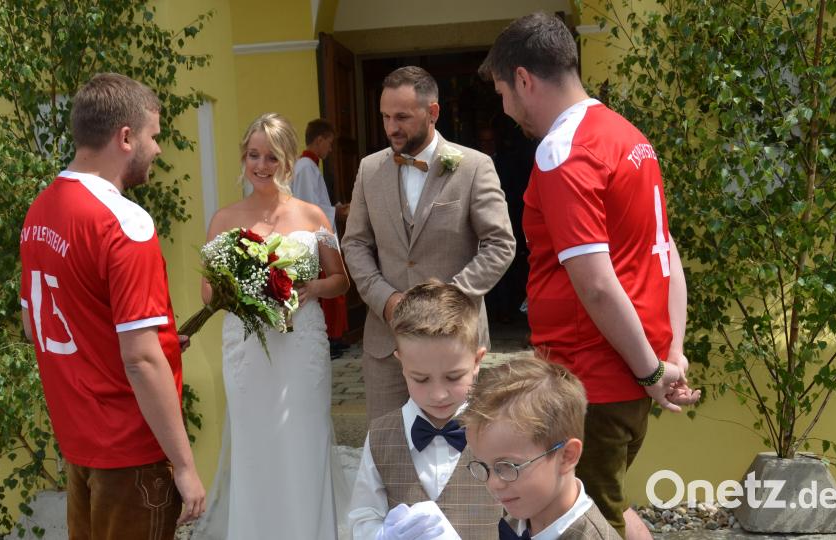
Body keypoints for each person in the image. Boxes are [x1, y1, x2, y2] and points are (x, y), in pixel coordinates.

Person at [479, 13, 701, 538]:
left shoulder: (564, 151)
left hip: (588, 379)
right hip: (623, 373)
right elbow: (665, 254)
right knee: (612, 508)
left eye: (502, 92)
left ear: (524, 80)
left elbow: (597, 284)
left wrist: (653, 370)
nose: (505, 108)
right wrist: (668, 355)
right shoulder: (628, 136)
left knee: (585, 523)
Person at [19, 72, 205, 539]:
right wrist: (184, 465)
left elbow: (33, 323)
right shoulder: (123, 221)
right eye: (153, 136)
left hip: (80, 443)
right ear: (126, 137)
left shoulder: (41, 209)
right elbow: (141, 360)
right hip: (131, 449)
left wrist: (156, 337)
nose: (158, 149)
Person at [192, 112, 349, 539]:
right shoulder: (225, 219)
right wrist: (245, 291)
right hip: (247, 347)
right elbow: (208, 293)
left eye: (271, 157)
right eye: (253, 155)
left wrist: (306, 288)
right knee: (255, 445)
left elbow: (340, 280)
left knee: (304, 440)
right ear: (243, 158)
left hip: (301, 346)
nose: (261, 166)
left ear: (287, 162)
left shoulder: (314, 216)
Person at [342, 65, 516, 423]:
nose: (391, 127)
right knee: (390, 456)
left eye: (402, 116)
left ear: (433, 112)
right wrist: (386, 300)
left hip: (456, 346)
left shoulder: (473, 166)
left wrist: (449, 302)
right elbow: (356, 244)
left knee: (462, 453)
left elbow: (499, 243)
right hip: (387, 346)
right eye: (386, 116)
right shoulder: (369, 169)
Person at [348, 280, 503, 539]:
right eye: (421, 379)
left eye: (453, 377)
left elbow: (527, 517)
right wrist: (384, 536)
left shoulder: (501, 430)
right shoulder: (381, 435)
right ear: (401, 363)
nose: (438, 394)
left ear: (477, 361)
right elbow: (362, 517)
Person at [461, 355, 621, 539]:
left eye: (507, 466)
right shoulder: (515, 522)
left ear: (566, 456)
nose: (493, 483)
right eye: (484, 466)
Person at [294, 118, 350, 358]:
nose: (329, 148)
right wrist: (336, 212)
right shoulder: (306, 167)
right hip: (314, 237)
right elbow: (308, 204)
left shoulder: (310, 166)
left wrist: (334, 207)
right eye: (328, 142)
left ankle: (334, 337)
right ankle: (330, 337)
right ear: (319, 140)